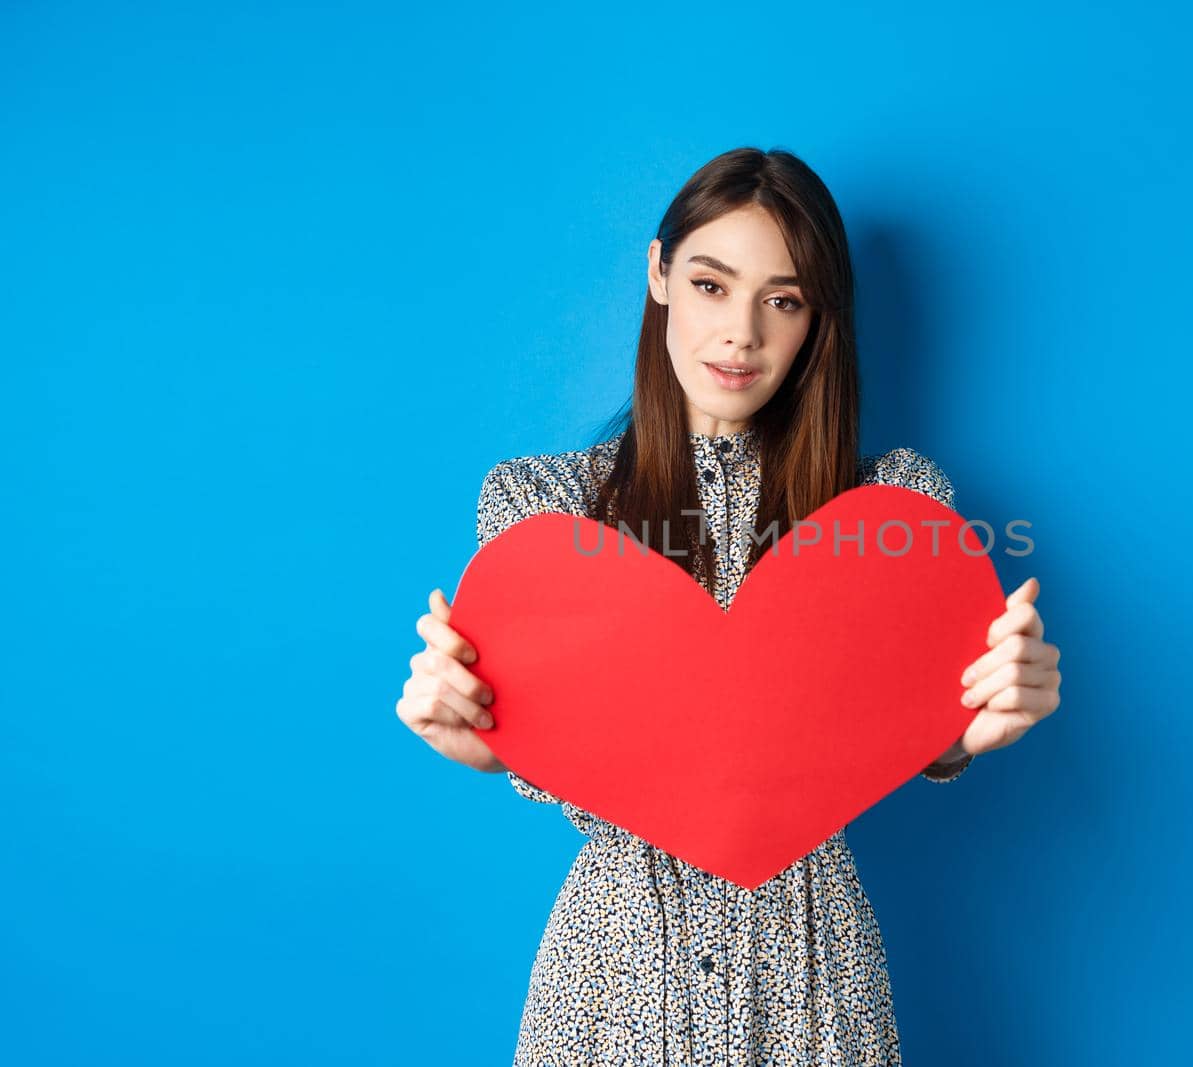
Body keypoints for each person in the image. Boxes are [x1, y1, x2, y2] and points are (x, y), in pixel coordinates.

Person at [396, 146, 1062, 1065]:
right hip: (612, 979)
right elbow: (568, 755)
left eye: (782, 300)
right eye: (712, 284)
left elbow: (891, 727)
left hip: (814, 987)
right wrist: (486, 739)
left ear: (816, 321)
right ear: (659, 274)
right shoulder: (542, 511)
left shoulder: (896, 511)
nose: (741, 333)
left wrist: (970, 725)